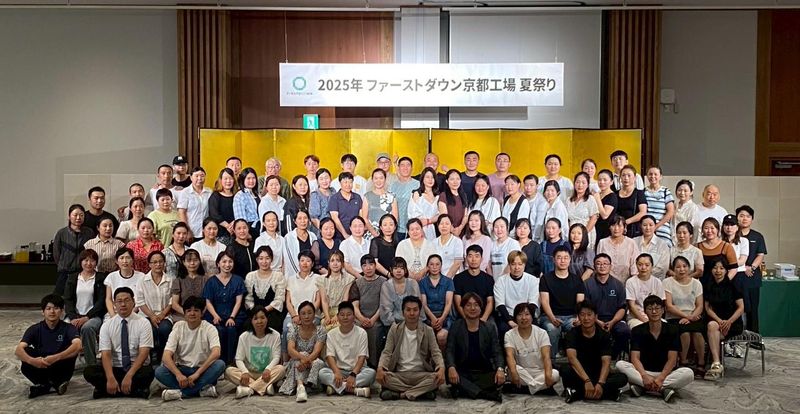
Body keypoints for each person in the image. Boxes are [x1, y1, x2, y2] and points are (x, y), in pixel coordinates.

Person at [616, 295, 694, 402]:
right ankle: (662, 388)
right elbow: (635, 358)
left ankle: (644, 386)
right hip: (642, 372)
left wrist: (661, 378)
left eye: (657, 308)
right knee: (620, 365)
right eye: (650, 309)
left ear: (663, 310)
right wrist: (644, 376)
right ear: (645, 311)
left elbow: (672, 359)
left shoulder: (672, 330)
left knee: (688, 373)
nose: (654, 312)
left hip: (665, 373)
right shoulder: (637, 330)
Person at [83, 287, 155, 399]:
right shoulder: (107, 325)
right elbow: (106, 354)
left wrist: (129, 375)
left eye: (127, 300)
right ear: (114, 304)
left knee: (148, 372)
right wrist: (110, 378)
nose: (123, 304)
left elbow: (144, 353)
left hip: (135, 368)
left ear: (133, 302)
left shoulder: (144, 323)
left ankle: (107, 391)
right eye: (119, 301)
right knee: (89, 371)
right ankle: (133, 391)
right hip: (115, 368)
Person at [156, 296, 226, 401]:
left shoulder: (209, 328)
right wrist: (178, 375)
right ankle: (200, 390)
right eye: (189, 311)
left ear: (202, 313)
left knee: (220, 365)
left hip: (202, 370)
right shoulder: (178, 327)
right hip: (182, 370)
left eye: (196, 310)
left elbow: (216, 353)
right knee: (159, 371)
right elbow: (166, 356)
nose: (192, 313)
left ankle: (182, 392)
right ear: (184, 313)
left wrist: (197, 374)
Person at [377, 296, 446, 401]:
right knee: (384, 378)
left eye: (415, 310)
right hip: (399, 374)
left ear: (420, 312)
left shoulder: (428, 330)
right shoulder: (395, 329)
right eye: (408, 310)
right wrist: (380, 368)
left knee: (435, 379)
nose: (412, 313)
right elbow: (387, 352)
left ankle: (401, 394)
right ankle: (420, 392)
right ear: (403, 312)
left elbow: (436, 352)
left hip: (421, 374)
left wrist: (441, 368)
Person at [561, 300, 628, 403]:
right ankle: (609, 393)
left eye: (589, 314)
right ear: (578, 317)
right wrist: (587, 381)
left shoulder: (604, 335)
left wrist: (600, 383)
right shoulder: (572, 333)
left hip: (598, 374)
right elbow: (572, 358)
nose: (586, 318)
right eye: (582, 315)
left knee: (622, 378)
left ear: (596, 316)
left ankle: (577, 393)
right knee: (565, 370)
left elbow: (606, 362)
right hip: (580, 374)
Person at [16, 294, 81, 398]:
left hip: (61, 366)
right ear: (43, 311)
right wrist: (32, 361)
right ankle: (51, 385)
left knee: (72, 349)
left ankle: (45, 386)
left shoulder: (68, 328)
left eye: (56, 308)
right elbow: (18, 350)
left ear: (62, 311)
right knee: (26, 352)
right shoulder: (35, 329)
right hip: (42, 365)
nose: (52, 312)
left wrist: (56, 357)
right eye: (48, 308)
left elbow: (78, 345)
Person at [445, 292, 505, 402]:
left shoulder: (489, 327)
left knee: (500, 376)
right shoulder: (456, 326)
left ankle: (466, 390)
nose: (472, 308)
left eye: (476, 305)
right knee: (449, 374)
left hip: (484, 372)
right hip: (463, 372)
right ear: (463, 308)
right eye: (468, 305)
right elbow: (450, 350)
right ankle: (485, 394)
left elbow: (497, 352)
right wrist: (451, 367)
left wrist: (500, 369)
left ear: (481, 308)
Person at [225, 305, 285, 399]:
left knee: (281, 369)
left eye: (262, 318)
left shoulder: (275, 335)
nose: (259, 321)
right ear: (251, 321)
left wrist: (268, 369)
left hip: (267, 374)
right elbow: (239, 359)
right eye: (255, 318)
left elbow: (276, 357)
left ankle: (249, 389)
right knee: (229, 371)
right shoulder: (244, 336)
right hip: (249, 373)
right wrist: (244, 372)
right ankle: (265, 387)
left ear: (267, 319)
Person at [319, 301, 375, 397]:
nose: (345, 317)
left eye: (348, 314)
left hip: (357, 370)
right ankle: (355, 390)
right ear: (337, 317)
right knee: (322, 373)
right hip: (339, 370)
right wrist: (336, 372)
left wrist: (353, 375)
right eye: (342, 315)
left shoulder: (362, 333)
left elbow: (362, 357)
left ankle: (337, 388)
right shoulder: (331, 334)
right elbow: (330, 356)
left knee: (371, 373)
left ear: (354, 317)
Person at [703, 258, 745, 381]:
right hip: (715, 321)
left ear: (726, 270)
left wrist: (729, 322)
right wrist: (720, 321)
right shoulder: (708, 286)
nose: (718, 271)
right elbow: (707, 308)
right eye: (715, 268)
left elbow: (741, 307)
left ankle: (716, 364)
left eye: (721, 268)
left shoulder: (733, 286)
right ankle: (717, 363)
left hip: (733, 323)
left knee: (713, 331)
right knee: (712, 326)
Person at [538, 246, 585, 358]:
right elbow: (544, 301)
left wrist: (579, 317)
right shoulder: (546, 278)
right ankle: (552, 361)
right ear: (553, 260)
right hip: (550, 316)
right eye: (559, 258)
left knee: (579, 327)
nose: (562, 261)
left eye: (565, 258)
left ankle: (575, 360)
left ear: (570, 259)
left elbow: (580, 301)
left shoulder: (577, 279)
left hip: (571, 316)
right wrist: (552, 318)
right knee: (552, 329)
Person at [504, 303, 559, 395]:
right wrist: (513, 372)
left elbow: (546, 357)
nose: (523, 318)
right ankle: (540, 388)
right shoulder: (509, 334)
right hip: (522, 372)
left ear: (532, 317)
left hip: (540, 372)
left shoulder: (541, 333)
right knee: (511, 370)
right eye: (520, 315)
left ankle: (526, 389)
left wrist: (548, 375)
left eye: (527, 314)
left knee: (555, 374)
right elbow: (509, 356)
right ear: (515, 318)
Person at [583, 253, 629, 359]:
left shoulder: (618, 285)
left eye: (605, 264)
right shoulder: (587, 284)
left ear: (610, 266)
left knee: (624, 331)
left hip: (614, 319)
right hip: (593, 319)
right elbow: (585, 308)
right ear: (594, 266)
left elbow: (622, 308)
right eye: (598, 264)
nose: (602, 266)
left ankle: (613, 356)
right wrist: (597, 321)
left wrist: (612, 322)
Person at [202, 251, 246, 364]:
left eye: (230, 262)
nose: (227, 264)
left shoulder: (238, 280)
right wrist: (215, 316)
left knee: (231, 329)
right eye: (224, 261)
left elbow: (239, 301)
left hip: (233, 314)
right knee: (219, 330)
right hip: (215, 315)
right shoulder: (211, 281)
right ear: (218, 264)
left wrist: (232, 317)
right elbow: (208, 301)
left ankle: (231, 361)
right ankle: (219, 362)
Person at [64, 249, 106, 365]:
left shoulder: (101, 278)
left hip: (93, 316)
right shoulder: (73, 278)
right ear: (81, 262)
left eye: (92, 260)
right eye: (86, 260)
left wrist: (87, 317)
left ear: (96, 262)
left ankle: (90, 363)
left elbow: (101, 301)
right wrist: (73, 317)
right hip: (74, 315)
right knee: (65, 328)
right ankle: (65, 364)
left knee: (87, 328)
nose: (89, 263)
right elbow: (68, 299)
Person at [663, 256, 705, 372]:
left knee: (697, 332)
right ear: (673, 269)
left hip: (694, 316)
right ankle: (683, 361)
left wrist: (691, 317)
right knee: (684, 333)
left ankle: (701, 363)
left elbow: (700, 306)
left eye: (684, 266)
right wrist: (686, 317)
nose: (681, 269)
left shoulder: (696, 283)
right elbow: (669, 306)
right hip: (674, 317)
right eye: (678, 267)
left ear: (689, 268)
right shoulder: (667, 282)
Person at [279, 301, 327, 400]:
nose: (306, 316)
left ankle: (309, 385)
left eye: (309, 313)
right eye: (303, 313)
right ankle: (300, 387)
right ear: (299, 316)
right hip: (297, 362)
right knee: (299, 358)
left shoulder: (320, 330)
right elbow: (290, 350)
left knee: (318, 362)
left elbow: (316, 352)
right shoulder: (294, 328)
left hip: (313, 362)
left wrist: (305, 361)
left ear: (314, 314)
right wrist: (303, 358)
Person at [135, 251, 173, 363]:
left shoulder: (170, 280)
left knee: (165, 328)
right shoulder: (142, 280)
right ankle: (150, 358)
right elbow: (140, 301)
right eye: (155, 262)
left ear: (164, 263)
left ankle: (163, 358)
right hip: (146, 315)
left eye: (161, 261)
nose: (158, 264)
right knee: (149, 329)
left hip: (165, 315)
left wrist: (162, 314)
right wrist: (152, 316)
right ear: (149, 264)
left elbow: (172, 301)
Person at [348, 255, 386, 367]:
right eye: (365, 265)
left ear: (375, 266)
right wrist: (362, 319)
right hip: (360, 318)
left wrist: (373, 319)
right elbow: (354, 305)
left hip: (377, 318)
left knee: (375, 330)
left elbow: (384, 304)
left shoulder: (384, 282)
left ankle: (374, 365)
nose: (368, 268)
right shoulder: (357, 283)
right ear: (361, 268)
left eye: (371, 264)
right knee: (357, 329)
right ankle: (357, 365)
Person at [494, 250, 540, 342]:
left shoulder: (532, 280)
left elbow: (533, 303)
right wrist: (510, 322)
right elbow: (500, 304)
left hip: (527, 315)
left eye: (520, 264)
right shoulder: (501, 281)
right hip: (508, 316)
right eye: (513, 264)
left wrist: (525, 318)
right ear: (509, 265)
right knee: (503, 329)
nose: (516, 267)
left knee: (535, 330)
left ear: (524, 265)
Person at [283, 250, 321, 356]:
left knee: (316, 328)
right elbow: (288, 302)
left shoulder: (318, 278)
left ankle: (313, 357)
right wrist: (295, 316)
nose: (305, 263)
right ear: (298, 262)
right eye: (302, 260)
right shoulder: (291, 279)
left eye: (308, 261)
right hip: (293, 314)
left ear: (312, 264)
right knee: (286, 329)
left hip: (313, 315)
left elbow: (318, 300)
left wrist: (308, 315)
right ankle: (285, 359)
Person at [736, 205, 767, 333]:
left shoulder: (757, 236)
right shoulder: (732, 235)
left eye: (748, 216)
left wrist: (752, 267)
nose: (744, 219)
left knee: (753, 309)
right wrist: (743, 267)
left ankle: (754, 336)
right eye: (741, 216)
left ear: (752, 219)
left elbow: (760, 255)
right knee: (736, 307)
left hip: (752, 277)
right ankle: (736, 335)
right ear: (737, 218)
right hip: (736, 276)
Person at [244, 246, 287, 333]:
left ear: (271, 259)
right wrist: (257, 312)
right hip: (254, 313)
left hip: (272, 312)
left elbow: (279, 299)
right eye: (261, 258)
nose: (264, 262)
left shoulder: (278, 276)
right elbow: (248, 298)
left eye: (267, 258)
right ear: (257, 259)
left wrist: (264, 311)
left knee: (272, 326)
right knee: (247, 326)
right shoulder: (250, 276)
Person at [53, 204, 94, 296]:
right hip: (65, 271)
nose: (78, 218)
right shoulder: (61, 233)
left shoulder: (89, 232)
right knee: (59, 297)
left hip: (83, 271)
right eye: (75, 215)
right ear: (69, 216)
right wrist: (62, 264)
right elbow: (56, 253)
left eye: (81, 215)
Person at [453, 245, 496, 325]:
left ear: (481, 259)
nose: (473, 259)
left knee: (491, 326)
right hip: (464, 316)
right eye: (470, 256)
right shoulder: (458, 278)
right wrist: (467, 319)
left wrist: (483, 319)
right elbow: (458, 302)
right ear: (466, 259)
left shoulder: (488, 279)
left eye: (477, 256)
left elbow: (490, 302)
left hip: (483, 316)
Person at [420, 255, 454, 350]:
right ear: (427, 266)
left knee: (441, 336)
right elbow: (424, 304)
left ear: (441, 266)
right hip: (428, 317)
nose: (434, 267)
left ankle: (441, 358)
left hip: (445, 316)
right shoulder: (422, 282)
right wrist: (433, 319)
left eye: (437, 264)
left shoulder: (448, 282)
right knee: (425, 337)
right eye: (431, 264)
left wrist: (442, 319)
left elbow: (448, 303)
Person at [381, 257, 423, 331]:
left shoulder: (413, 283)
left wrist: (411, 324)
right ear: (391, 270)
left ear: (406, 270)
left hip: (413, 322)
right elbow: (386, 310)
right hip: (393, 325)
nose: (398, 271)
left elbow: (418, 307)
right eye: (395, 268)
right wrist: (396, 326)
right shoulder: (386, 285)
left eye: (401, 268)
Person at [626, 253, 666, 329]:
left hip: (654, 316)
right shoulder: (630, 282)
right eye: (640, 265)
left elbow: (660, 304)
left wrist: (654, 319)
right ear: (636, 265)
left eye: (647, 265)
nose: (643, 267)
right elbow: (632, 306)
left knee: (665, 327)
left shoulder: (657, 282)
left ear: (652, 266)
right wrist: (645, 321)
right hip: (636, 318)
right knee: (642, 329)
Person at [104, 248, 145, 319]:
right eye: (121, 258)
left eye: (128, 258)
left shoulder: (141, 276)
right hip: (115, 313)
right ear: (116, 261)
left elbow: (141, 299)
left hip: (136, 313)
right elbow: (108, 299)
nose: (125, 261)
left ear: (132, 260)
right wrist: (113, 316)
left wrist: (129, 314)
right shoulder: (111, 277)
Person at [318, 250, 355, 331]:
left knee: (338, 326)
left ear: (342, 263)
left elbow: (345, 299)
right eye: (332, 261)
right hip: (327, 311)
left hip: (342, 311)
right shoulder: (322, 279)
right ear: (328, 263)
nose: (335, 264)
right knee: (324, 326)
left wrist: (338, 314)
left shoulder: (349, 279)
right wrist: (327, 316)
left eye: (338, 261)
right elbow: (324, 300)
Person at [597, 215, 640, 282]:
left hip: (626, 282)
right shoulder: (602, 242)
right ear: (609, 227)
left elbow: (635, 267)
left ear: (624, 228)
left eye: (619, 226)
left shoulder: (631, 243)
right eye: (613, 225)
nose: (616, 229)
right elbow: (598, 264)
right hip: (605, 282)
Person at [169, 249, 209, 322]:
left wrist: (200, 314)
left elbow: (209, 301)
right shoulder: (178, 281)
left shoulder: (206, 279)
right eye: (189, 260)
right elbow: (174, 304)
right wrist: (188, 314)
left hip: (202, 315)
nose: (192, 263)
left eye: (195, 260)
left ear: (199, 262)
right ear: (184, 262)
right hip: (182, 316)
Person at [697, 217, 738, 286]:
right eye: (706, 228)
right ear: (702, 230)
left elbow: (734, 268)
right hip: (701, 285)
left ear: (718, 230)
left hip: (722, 285)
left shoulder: (726, 246)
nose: (709, 231)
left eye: (712, 228)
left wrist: (724, 282)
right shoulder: (697, 247)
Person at [177, 167, 212, 241]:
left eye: (202, 176)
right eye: (196, 176)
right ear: (191, 178)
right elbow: (181, 212)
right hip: (191, 232)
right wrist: (186, 230)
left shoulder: (209, 192)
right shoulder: (185, 192)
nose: (199, 178)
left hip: (206, 232)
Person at [362, 168, 398, 241]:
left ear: (385, 179)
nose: (378, 181)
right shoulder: (367, 196)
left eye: (381, 178)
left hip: (389, 235)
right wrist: (375, 234)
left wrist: (387, 233)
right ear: (372, 180)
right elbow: (364, 218)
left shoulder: (392, 196)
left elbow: (395, 218)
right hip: (371, 235)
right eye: (376, 178)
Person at [644, 166, 675, 245]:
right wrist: (650, 227)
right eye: (650, 174)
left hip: (662, 228)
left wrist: (656, 226)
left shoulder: (665, 191)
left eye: (655, 174)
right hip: (646, 228)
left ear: (660, 176)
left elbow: (671, 212)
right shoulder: (643, 192)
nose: (653, 176)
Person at [391, 156, 420, 240]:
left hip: (414, 228)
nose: (405, 168)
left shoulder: (418, 185)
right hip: (397, 228)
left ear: (412, 168)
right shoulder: (393, 185)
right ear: (398, 168)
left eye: (408, 165)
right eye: (402, 165)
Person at [568, 172, 599, 247]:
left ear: (587, 185)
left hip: (586, 233)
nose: (580, 185)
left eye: (583, 182)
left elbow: (594, 218)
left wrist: (584, 234)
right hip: (572, 234)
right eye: (577, 182)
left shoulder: (590, 199)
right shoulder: (568, 200)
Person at [329, 172, 364, 240]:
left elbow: (361, 216)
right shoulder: (334, 198)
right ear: (340, 183)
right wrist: (344, 234)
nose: (348, 185)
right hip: (339, 236)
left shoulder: (357, 197)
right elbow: (335, 218)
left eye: (350, 182)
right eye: (345, 182)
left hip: (356, 234)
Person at [407, 166, 440, 240]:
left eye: (432, 177)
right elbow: (412, 215)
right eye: (427, 177)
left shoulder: (437, 196)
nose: (430, 180)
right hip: (418, 230)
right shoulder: (417, 194)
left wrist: (429, 221)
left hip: (433, 230)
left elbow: (440, 214)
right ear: (422, 179)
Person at [616, 165, 648, 238]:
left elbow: (643, 212)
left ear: (635, 178)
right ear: (620, 178)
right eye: (623, 175)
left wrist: (626, 222)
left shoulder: (639, 193)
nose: (626, 178)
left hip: (634, 230)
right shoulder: (615, 194)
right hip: (617, 229)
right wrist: (619, 224)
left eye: (629, 175)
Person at [634, 215, 670, 280]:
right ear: (640, 226)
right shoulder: (634, 242)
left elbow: (663, 267)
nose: (648, 228)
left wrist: (645, 275)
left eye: (651, 225)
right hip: (635, 280)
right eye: (644, 225)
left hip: (655, 281)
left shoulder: (662, 245)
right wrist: (638, 275)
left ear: (655, 226)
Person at [208, 168, 238, 245]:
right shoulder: (215, 196)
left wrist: (234, 223)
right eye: (225, 178)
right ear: (221, 180)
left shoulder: (237, 195)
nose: (228, 181)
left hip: (236, 233)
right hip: (220, 234)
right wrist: (228, 226)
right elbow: (214, 214)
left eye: (230, 178)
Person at [233, 167, 262, 241]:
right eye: (248, 178)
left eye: (253, 178)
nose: (251, 181)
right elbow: (240, 218)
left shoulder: (257, 194)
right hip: (250, 229)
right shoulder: (240, 195)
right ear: (243, 180)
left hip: (260, 228)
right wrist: (247, 233)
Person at [439, 169, 469, 237]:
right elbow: (444, 217)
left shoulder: (463, 195)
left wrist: (460, 228)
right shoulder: (443, 195)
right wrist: (453, 231)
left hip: (462, 231)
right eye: (452, 179)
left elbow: (465, 216)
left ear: (460, 180)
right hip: (448, 232)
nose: (455, 182)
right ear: (447, 181)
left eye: (457, 179)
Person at [592, 169, 618, 245]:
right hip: (595, 229)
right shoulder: (598, 194)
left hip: (606, 231)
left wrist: (597, 199)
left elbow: (605, 215)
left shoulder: (612, 196)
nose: (602, 182)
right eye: (599, 180)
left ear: (611, 182)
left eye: (605, 180)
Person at [309, 168, 334, 235]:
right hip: (320, 230)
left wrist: (332, 230)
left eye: (326, 178)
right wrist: (324, 231)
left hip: (333, 229)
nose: (324, 181)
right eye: (321, 179)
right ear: (317, 181)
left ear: (330, 179)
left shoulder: (333, 192)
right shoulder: (315, 195)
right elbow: (314, 218)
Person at [524, 174, 548, 241]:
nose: (528, 188)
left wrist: (534, 239)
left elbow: (539, 223)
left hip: (535, 234)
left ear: (537, 186)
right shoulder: (520, 197)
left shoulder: (542, 201)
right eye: (526, 185)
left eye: (531, 185)